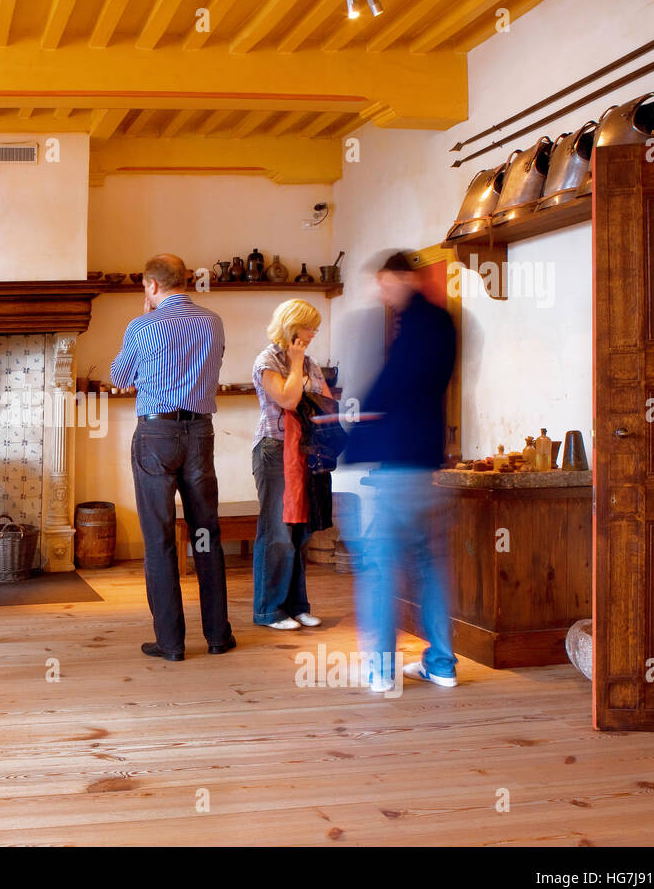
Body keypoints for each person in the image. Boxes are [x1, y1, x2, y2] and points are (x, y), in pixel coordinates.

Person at [111, 253, 234, 661]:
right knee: (205, 535)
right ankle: (218, 636)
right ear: (185, 280)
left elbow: (119, 378)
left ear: (150, 285)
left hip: (156, 434)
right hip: (199, 432)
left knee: (160, 538)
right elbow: (213, 365)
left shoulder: (142, 325)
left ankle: (171, 642)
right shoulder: (212, 321)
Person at [346, 252, 458, 692]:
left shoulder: (414, 325)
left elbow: (395, 385)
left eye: (386, 282)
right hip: (430, 462)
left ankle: (379, 669)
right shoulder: (442, 322)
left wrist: (357, 423)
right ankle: (443, 664)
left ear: (404, 277)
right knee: (430, 566)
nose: (382, 292)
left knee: (378, 566)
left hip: (396, 465)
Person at [251, 299, 331, 630]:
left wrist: (303, 365)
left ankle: (297, 606)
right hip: (274, 450)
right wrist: (296, 363)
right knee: (277, 532)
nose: (313, 333)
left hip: (304, 452)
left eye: (316, 328)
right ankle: (270, 610)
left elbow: (327, 402)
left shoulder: (310, 362)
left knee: (299, 532)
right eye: (309, 327)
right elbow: (288, 398)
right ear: (292, 325)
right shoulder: (267, 359)